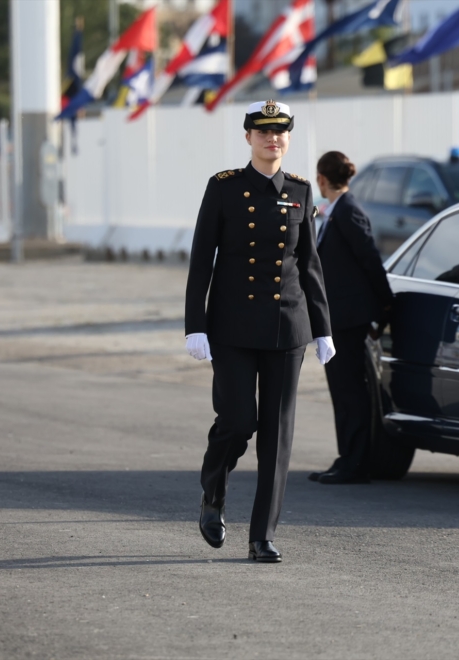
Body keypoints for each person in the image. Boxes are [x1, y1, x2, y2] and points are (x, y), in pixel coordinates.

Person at [184, 100, 334, 563]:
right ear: (248, 136)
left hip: (287, 326)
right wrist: (196, 325)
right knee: (238, 421)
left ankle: (261, 535)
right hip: (232, 326)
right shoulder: (224, 188)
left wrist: (323, 328)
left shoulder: (301, 191)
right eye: (263, 131)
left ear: (288, 138)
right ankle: (214, 493)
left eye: (281, 131)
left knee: (277, 433)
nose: (273, 139)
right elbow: (200, 261)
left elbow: (308, 264)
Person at [310, 151, 394, 485]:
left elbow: (369, 257)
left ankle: (355, 463)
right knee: (341, 389)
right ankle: (347, 457)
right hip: (338, 317)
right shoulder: (337, 211)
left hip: (348, 318)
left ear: (321, 179)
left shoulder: (348, 211)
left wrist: (386, 303)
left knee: (349, 391)